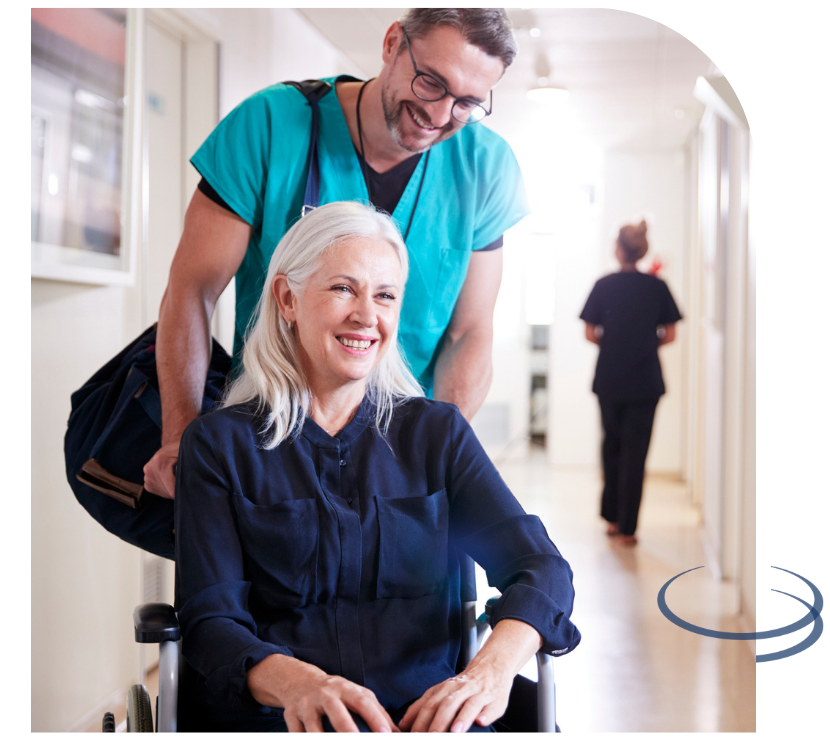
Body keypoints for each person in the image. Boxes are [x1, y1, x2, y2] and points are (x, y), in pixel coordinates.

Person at [175, 202, 580, 733]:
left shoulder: (435, 435)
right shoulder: (218, 446)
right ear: (287, 298)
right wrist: (301, 684)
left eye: (385, 295)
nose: (367, 315)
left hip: (425, 717)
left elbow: (542, 568)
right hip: (282, 718)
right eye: (344, 288)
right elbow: (211, 622)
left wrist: (489, 672)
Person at [146, 7, 530, 500]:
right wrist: (182, 436)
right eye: (431, 82)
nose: (439, 115)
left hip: (402, 456)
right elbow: (191, 291)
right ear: (393, 44)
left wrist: (437, 452)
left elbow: (470, 330)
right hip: (271, 442)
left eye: (467, 103)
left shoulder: (486, 167)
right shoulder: (270, 126)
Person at [579, 221, 682, 546]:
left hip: (610, 378)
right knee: (636, 453)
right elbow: (671, 333)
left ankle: (611, 518)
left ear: (619, 249)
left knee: (611, 446)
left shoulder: (604, 284)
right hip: (646, 381)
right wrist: (645, 345)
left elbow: (589, 332)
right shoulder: (657, 286)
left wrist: (614, 345)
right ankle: (628, 528)